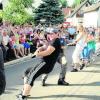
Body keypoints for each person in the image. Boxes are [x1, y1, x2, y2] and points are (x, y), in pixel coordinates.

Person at [17, 28, 65, 100]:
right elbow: (43, 47)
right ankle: (25, 91)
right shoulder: (51, 41)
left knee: (31, 76)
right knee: (27, 72)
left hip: (45, 64)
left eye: (52, 33)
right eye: (49, 33)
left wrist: (37, 54)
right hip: (44, 64)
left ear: (56, 34)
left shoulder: (55, 41)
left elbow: (48, 52)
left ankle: (24, 96)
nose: (50, 35)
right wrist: (38, 50)